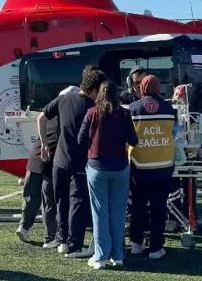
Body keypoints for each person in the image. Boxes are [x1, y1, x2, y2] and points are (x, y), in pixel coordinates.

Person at [37, 67, 107, 259]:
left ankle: (62, 240)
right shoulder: (93, 107)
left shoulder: (64, 98)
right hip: (81, 161)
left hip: (59, 159)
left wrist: (44, 143)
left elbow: (41, 117)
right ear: (95, 89)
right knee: (77, 202)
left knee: (61, 200)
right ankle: (74, 244)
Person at [78, 80, 138, 269]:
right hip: (120, 167)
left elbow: (81, 139)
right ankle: (117, 255)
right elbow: (133, 140)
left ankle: (100, 256)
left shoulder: (92, 113)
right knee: (118, 213)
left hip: (97, 167)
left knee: (100, 213)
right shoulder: (124, 114)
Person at [17, 88, 78, 247]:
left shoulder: (49, 114)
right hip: (50, 160)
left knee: (30, 196)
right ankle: (50, 237)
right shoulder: (68, 115)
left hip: (35, 157)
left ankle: (23, 226)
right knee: (49, 200)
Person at [127, 74, 177, 259]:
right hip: (163, 166)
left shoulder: (133, 108)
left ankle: (136, 243)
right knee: (159, 208)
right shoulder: (169, 108)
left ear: (141, 88)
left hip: (139, 165)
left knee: (138, 207)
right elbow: (174, 132)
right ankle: (156, 248)